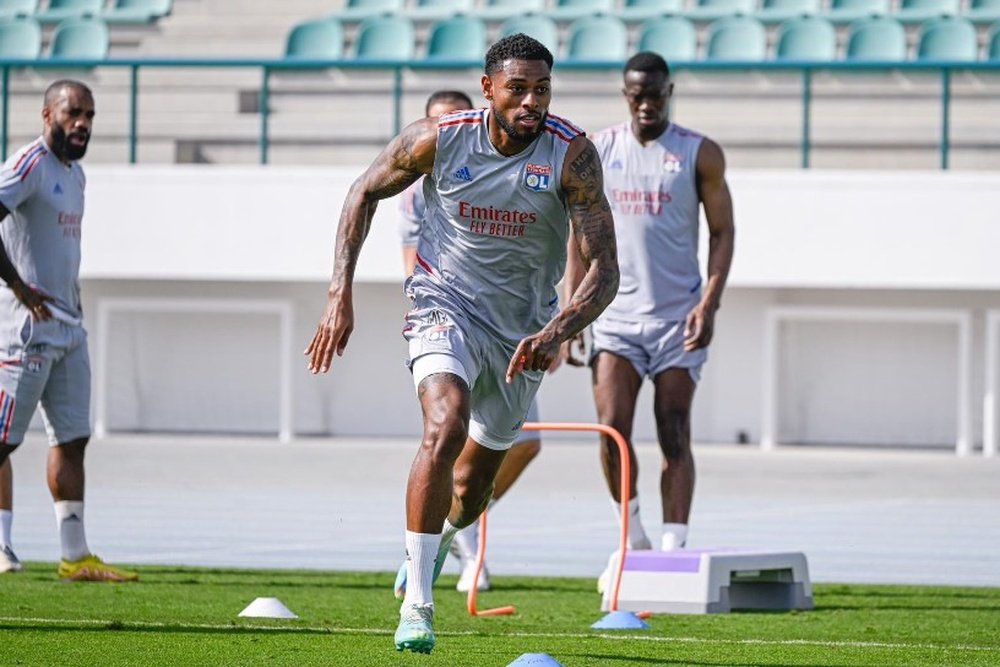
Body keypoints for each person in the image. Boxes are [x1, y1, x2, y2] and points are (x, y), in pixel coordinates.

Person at [306, 34, 619, 654]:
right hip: (442, 302)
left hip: (522, 330)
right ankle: (418, 605)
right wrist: (339, 291)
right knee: (443, 424)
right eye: (519, 89)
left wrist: (555, 333)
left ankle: (440, 541)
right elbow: (362, 191)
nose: (532, 101)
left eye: (543, 89)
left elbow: (606, 270)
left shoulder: (571, 155)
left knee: (472, 487)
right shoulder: (442, 138)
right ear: (488, 89)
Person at [563, 52, 735, 588]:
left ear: (669, 91)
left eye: (655, 94)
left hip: (677, 320)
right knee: (612, 428)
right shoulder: (599, 151)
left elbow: (723, 232)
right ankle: (632, 534)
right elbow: (579, 239)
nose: (645, 103)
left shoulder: (697, 153)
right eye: (636, 94)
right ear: (624, 94)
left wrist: (709, 303)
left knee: (673, 429)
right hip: (614, 316)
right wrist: (572, 314)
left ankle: (674, 547)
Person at [397, 89, 543, 594]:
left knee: (519, 449)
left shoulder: (518, 161)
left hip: (513, 327)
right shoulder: (417, 185)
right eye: (433, 124)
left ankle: (453, 519)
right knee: (446, 427)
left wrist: (563, 322)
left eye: (452, 122)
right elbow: (411, 256)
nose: (442, 133)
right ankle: (422, 583)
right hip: (447, 314)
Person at [0, 79, 138, 582]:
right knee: (3, 440)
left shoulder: (74, 174)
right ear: (47, 116)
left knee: (73, 438)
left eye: (89, 115)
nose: (82, 124)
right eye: (72, 113)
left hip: (68, 329)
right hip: (25, 330)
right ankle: (3, 546)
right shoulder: (29, 165)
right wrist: (17, 287)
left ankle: (74, 554)